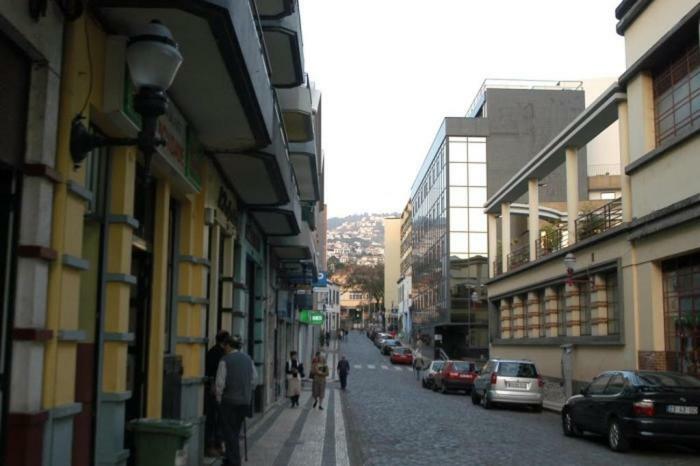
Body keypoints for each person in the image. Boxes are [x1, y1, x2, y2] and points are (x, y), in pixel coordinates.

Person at [216, 335, 257, 466]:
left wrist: (219, 399)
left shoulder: (225, 360)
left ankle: (233, 461)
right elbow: (254, 379)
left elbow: (219, 384)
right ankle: (229, 458)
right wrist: (246, 390)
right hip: (244, 402)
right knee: (235, 430)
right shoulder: (248, 360)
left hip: (229, 402)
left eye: (225, 346)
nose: (224, 349)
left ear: (228, 345)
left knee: (229, 432)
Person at [205, 330, 230, 456]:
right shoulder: (223, 355)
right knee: (217, 419)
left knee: (214, 418)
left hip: (211, 389)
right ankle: (214, 445)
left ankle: (214, 445)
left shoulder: (210, 352)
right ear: (225, 342)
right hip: (217, 390)